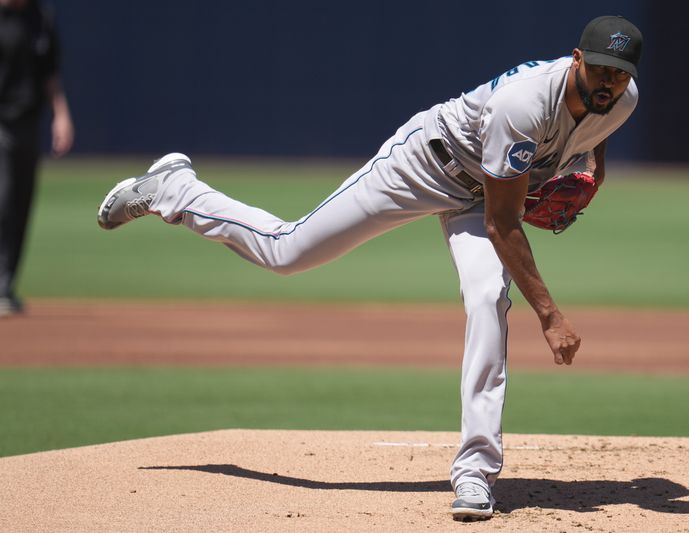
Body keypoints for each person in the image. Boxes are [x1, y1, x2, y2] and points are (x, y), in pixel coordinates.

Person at [97, 15, 642, 521]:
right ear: (576, 58)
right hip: (427, 164)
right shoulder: (524, 104)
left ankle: (475, 473)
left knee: (486, 298)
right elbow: (503, 224)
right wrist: (549, 314)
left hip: (484, 193)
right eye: (599, 68)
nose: (608, 81)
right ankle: (176, 189)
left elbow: (595, 140)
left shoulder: (621, 100)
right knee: (289, 252)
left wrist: (591, 181)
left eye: (619, 74)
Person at [0, 0, 73, 317]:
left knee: (21, 203)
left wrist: (61, 114)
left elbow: (50, 73)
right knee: (2, 199)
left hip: (28, 121)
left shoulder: (39, 18)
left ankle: (5, 286)